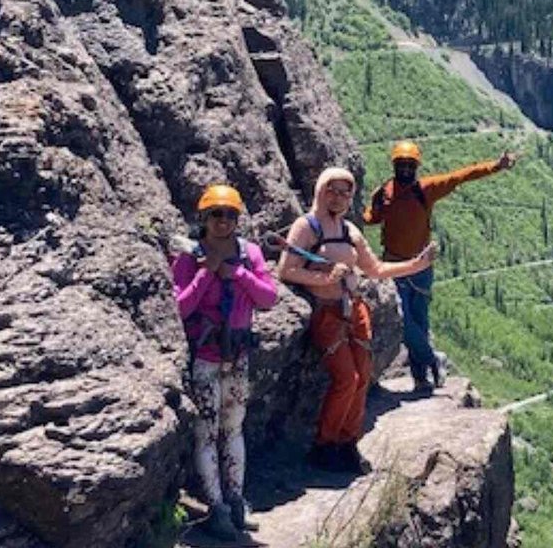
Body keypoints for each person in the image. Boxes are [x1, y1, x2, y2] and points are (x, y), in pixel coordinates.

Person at [276, 166, 437, 473]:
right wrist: (323, 279)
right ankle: (325, 444)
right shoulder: (306, 227)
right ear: (320, 191)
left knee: (362, 378)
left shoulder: (349, 231)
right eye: (332, 191)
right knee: (346, 379)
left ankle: (347, 442)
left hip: (354, 308)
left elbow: (375, 269)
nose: (337, 198)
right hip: (327, 311)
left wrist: (416, 264)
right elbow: (287, 270)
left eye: (344, 192)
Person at [364, 140, 516, 393]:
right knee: (405, 322)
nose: (405, 169)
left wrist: (496, 166)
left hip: (421, 268)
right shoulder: (384, 193)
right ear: (394, 165)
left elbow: (461, 176)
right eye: (401, 165)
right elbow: (372, 218)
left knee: (419, 323)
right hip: (395, 268)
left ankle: (421, 378)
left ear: (416, 167)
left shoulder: (426, 189)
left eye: (409, 165)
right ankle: (434, 359)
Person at [173, 184, 277, 541]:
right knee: (206, 433)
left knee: (232, 430)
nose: (223, 221)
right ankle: (216, 507)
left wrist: (236, 274)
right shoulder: (190, 257)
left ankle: (235, 501)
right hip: (205, 356)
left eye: (230, 214)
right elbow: (181, 307)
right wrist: (207, 272)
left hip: (237, 355)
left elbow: (269, 298)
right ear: (204, 216)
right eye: (216, 214)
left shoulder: (249, 254)